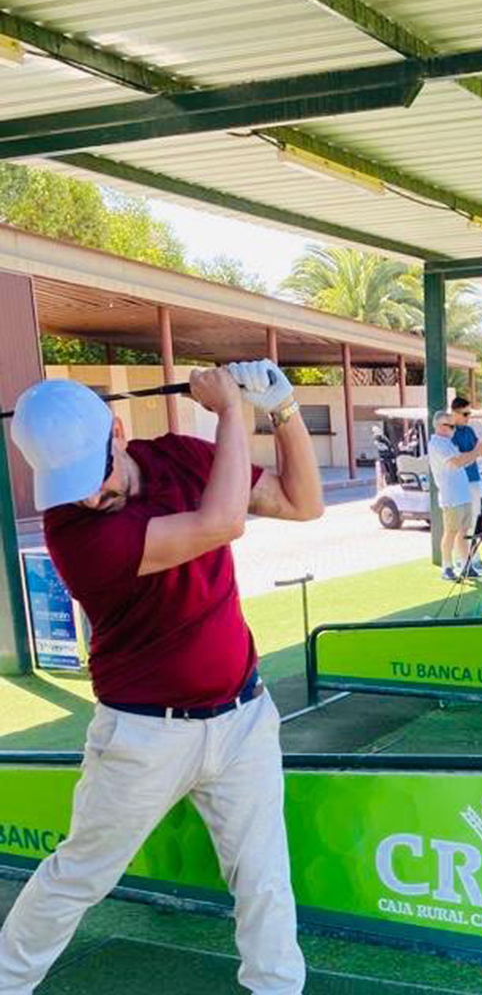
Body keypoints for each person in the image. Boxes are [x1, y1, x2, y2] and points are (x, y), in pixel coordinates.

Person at [1, 362, 324, 995]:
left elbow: (302, 502)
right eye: (70, 486)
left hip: (242, 716)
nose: (88, 497)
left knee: (264, 879)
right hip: (143, 737)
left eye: (94, 477)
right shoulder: (75, 533)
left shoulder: (179, 456)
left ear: (118, 434)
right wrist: (230, 410)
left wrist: (283, 409)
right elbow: (221, 523)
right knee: (79, 876)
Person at [428, 409, 482, 581]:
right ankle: (447, 567)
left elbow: (465, 460)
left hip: (463, 494)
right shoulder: (437, 444)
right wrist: (477, 451)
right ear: (438, 426)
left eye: (453, 426)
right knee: (451, 532)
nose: (453, 429)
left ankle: (466, 566)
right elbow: (457, 462)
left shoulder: (448, 443)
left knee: (463, 532)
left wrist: (480, 450)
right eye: (449, 426)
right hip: (451, 497)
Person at [450, 396, 482, 566]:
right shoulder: (450, 433)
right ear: (455, 413)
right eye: (465, 414)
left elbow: (480, 451)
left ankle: (473, 557)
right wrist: (476, 452)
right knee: (462, 523)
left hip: (474, 479)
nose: (468, 417)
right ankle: (460, 559)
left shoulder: (469, 431)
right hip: (460, 483)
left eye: (469, 413)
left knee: (474, 519)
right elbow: (461, 458)